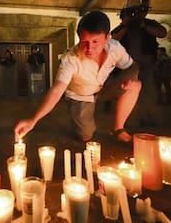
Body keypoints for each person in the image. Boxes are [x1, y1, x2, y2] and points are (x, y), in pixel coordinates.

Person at [14, 11, 141, 143]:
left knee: (135, 84)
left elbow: (133, 66)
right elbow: (57, 91)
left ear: (108, 37)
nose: (89, 48)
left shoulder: (115, 48)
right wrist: (33, 120)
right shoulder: (70, 58)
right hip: (80, 95)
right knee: (86, 136)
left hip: (103, 88)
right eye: (84, 42)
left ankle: (118, 129)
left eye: (95, 41)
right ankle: (80, 121)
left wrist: (130, 77)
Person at [111, 0, 167, 126]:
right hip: (127, 66)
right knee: (127, 91)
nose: (141, 13)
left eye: (144, 10)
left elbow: (163, 33)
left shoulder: (149, 23)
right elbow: (112, 40)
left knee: (148, 91)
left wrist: (144, 26)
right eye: (138, 10)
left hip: (146, 64)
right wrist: (125, 26)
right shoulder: (124, 26)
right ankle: (128, 119)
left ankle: (148, 118)